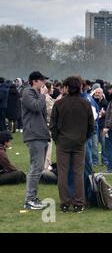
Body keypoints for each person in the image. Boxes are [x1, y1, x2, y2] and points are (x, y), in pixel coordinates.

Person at [50, 76, 94, 212]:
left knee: (63, 174)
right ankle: (79, 203)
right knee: (78, 173)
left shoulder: (59, 104)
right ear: (80, 88)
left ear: (67, 88)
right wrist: (84, 138)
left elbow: (53, 125)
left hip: (63, 143)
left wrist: (57, 139)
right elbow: (91, 126)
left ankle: (65, 202)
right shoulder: (85, 104)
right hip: (79, 143)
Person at [22, 71, 51, 210]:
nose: (44, 83)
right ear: (34, 81)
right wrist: (43, 95)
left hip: (42, 134)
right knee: (36, 168)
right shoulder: (27, 92)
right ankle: (29, 200)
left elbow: (43, 114)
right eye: (42, 80)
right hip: (34, 135)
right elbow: (36, 107)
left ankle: (33, 198)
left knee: (38, 168)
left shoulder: (36, 94)